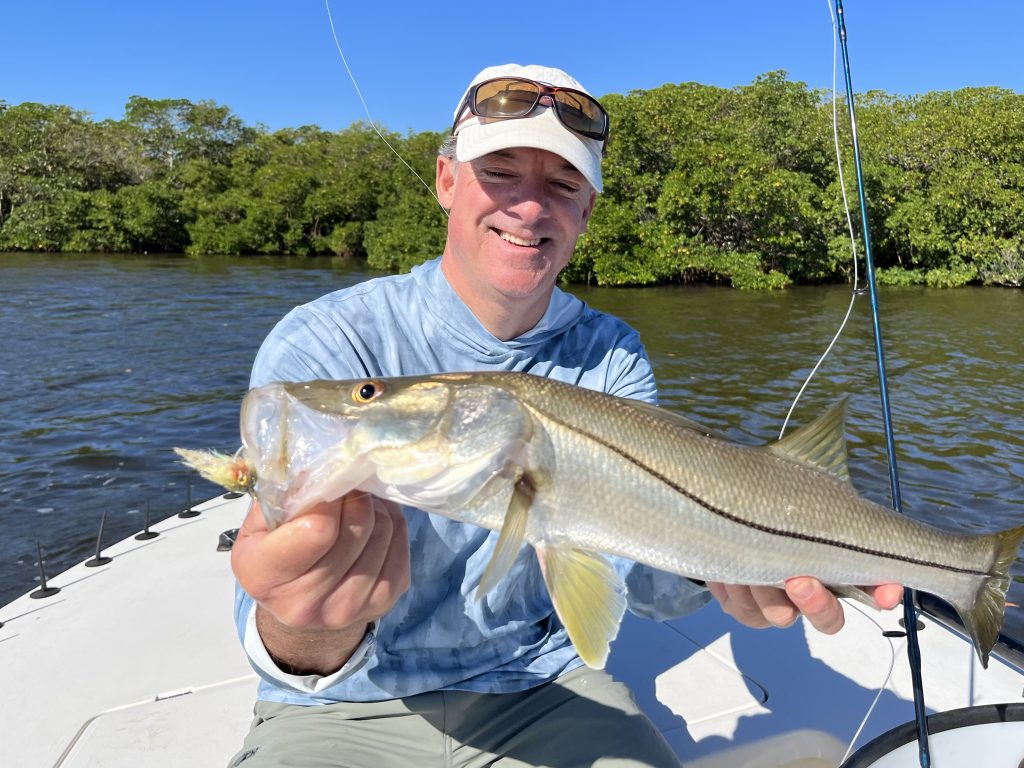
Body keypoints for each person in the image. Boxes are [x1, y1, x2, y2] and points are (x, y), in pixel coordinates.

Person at [227, 63, 903, 768]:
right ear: (446, 180)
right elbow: (285, 638)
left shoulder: (610, 352)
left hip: (542, 688)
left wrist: (720, 565)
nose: (528, 208)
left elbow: (634, 578)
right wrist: (301, 623)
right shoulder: (327, 343)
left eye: (561, 185)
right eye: (500, 172)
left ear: (585, 212)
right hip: (341, 704)